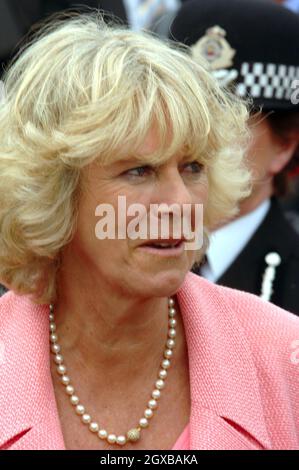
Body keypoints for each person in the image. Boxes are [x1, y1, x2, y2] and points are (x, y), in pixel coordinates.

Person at [0, 13, 299, 451]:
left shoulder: (285, 360)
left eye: (193, 168)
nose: (180, 204)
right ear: (53, 192)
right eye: (139, 171)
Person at [170, 0, 299, 316]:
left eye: (227, 121)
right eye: (186, 118)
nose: (200, 139)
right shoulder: (122, 249)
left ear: (284, 146)